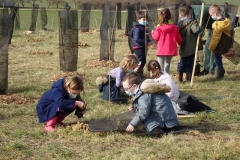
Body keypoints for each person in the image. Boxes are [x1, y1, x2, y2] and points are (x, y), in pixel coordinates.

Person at [177, 6, 204, 82]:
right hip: (190, 48)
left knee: (182, 62)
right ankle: (189, 78)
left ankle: (180, 78)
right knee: (189, 63)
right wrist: (200, 27)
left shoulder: (179, 24)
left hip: (183, 46)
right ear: (189, 14)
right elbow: (195, 30)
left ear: (180, 15)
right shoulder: (191, 22)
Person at [151, 8, 182, 73]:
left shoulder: (159, 27)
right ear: (170, 16)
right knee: (167, 63)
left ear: (161, 16)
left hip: (161, 49)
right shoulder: (174, 27)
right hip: (171, 49)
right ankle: (166, 76)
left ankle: (161, 77)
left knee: (160, 65)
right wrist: (181, 42)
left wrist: (153, 33)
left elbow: (156, 37)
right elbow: (179, 39)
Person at [208, 4, 231, 79]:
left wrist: (212, 47)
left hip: (218, 45)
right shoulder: (226, 21)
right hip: (224, 44)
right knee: (219, 58)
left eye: (211, 15)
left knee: (217, 60)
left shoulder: (217, 24)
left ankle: (219, 74)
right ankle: (221, 71)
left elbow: (215, 38)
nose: (211, 16)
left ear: (215, 13)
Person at [130, 11, 151, 75]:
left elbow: (146, 36)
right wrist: (146, 42)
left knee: (143, 61)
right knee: (140, 62)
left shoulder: (143, 28)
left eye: (146, 19)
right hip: (138, 47)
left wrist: (149, 40)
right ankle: (135, 73)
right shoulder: (137, 29)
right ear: (138, 19)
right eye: (143, 19)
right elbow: (137, 39)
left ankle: (140, 73)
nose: (145, 21)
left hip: (142, 46)